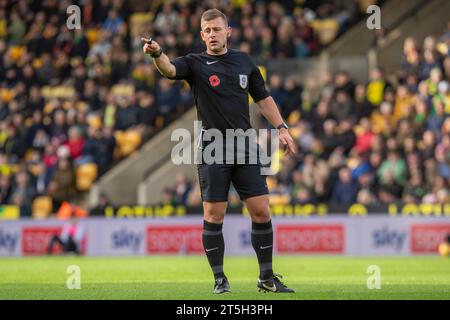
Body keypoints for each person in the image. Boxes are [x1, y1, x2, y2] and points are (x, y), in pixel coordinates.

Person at [142, 9, 296, 294]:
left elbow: (263, 98)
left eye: (216, 29)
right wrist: (157, 53)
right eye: (207, 30)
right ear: (201, 35)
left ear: (228, 32)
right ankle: (219, 279)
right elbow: (170, 70)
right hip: (213, 148)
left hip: (245, 145)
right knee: (214, 215)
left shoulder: (244, 61)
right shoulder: (194, 63)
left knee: (261, 211)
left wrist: (282, 128)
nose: (212, 34)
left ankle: (266, 277)